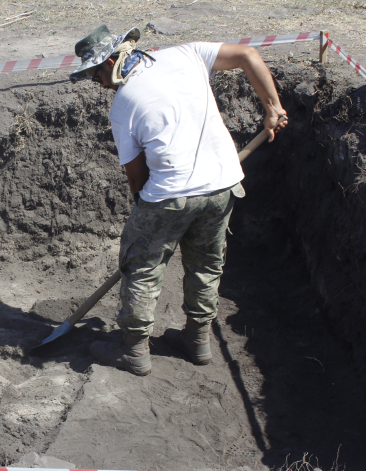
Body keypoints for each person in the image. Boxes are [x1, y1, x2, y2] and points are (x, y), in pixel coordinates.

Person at [70, 25, 287, 376]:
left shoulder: (124, 104)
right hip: (223, 185)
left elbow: (136, 176)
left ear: (110, 61)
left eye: (94, 74)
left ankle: (134, 350)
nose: (96, 82)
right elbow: (248, 55)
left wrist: (144, 211)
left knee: (141, 268)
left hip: (170, 195)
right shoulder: (188, 53)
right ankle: (197, 340)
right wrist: (273, 107)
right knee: (205, 264)